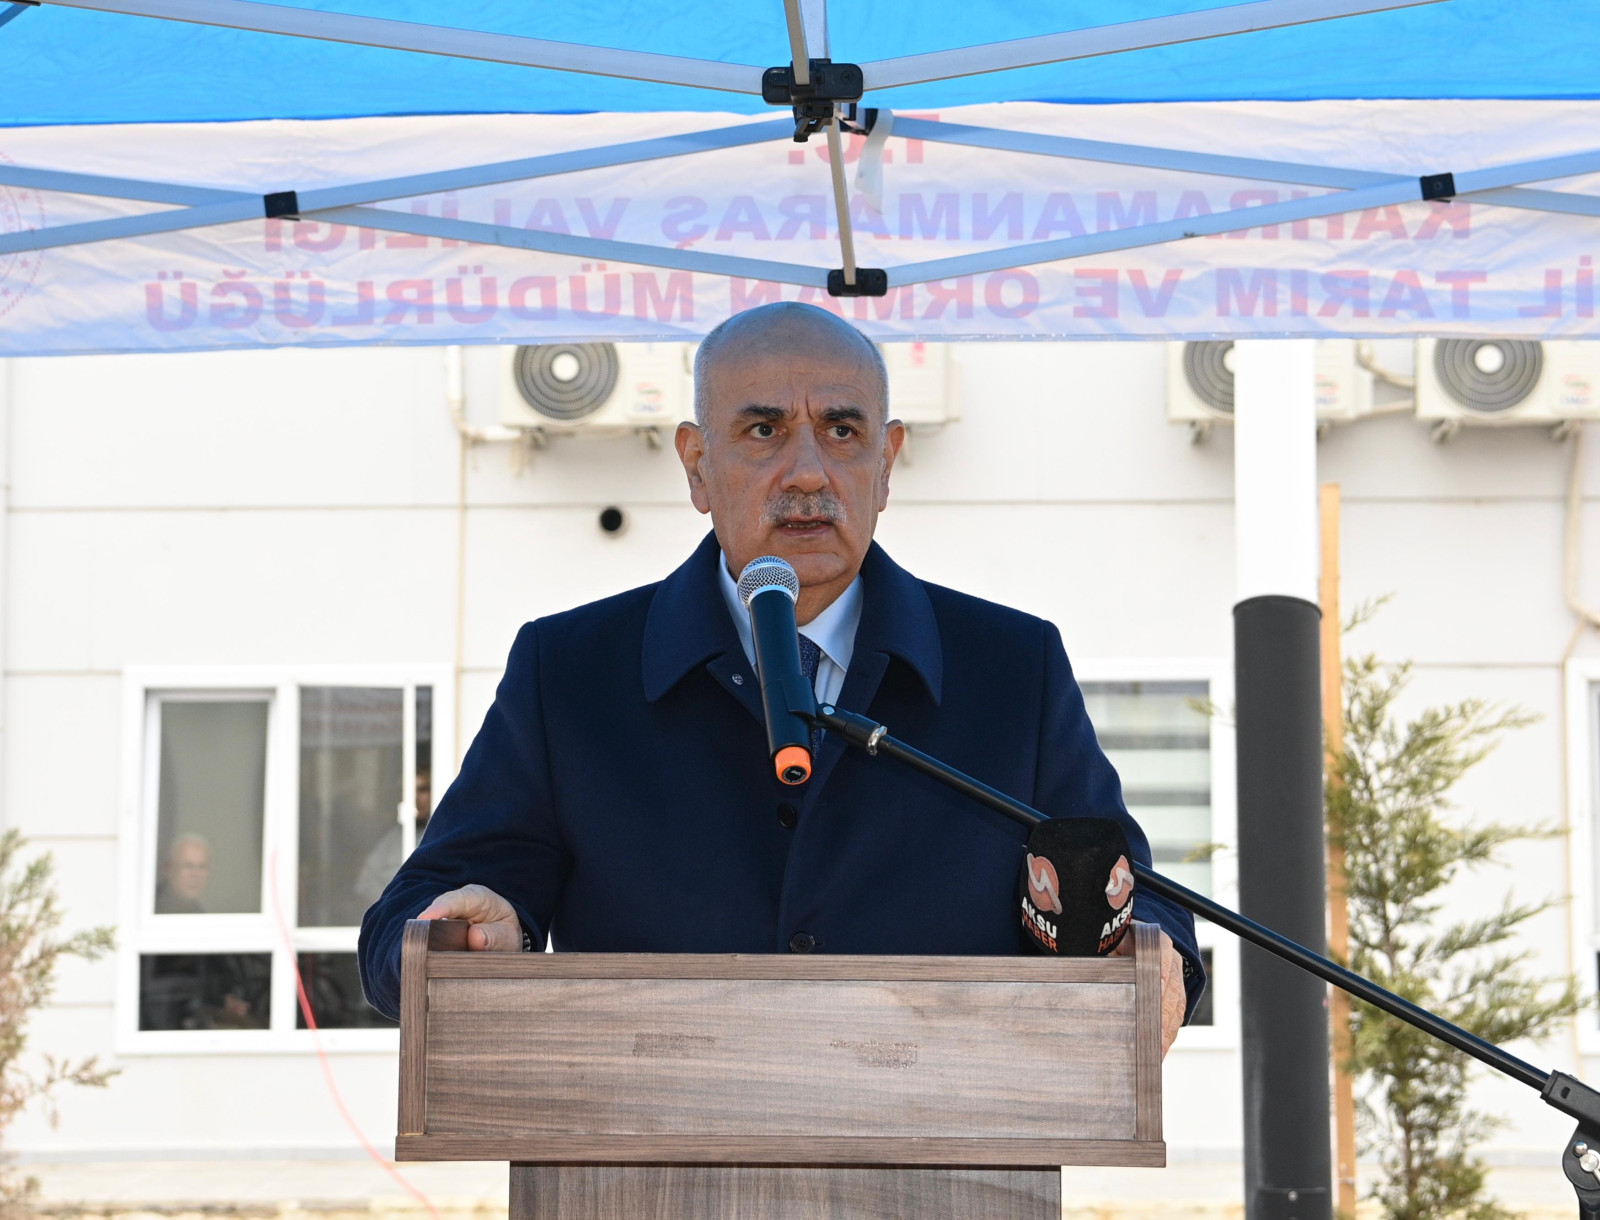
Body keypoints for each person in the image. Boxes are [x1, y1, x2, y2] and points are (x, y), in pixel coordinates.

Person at [358, 302, 1205, 1053]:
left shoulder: (1012, 667)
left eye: (842, 431)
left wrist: (1153, 953)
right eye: (764, 431)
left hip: (951, 1146)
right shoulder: (572, 672)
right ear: (697, 465)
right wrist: (473, 934)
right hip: (648, 1150)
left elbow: (1131, 898)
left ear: (887, 463)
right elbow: (411, 922)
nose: (807, 471)